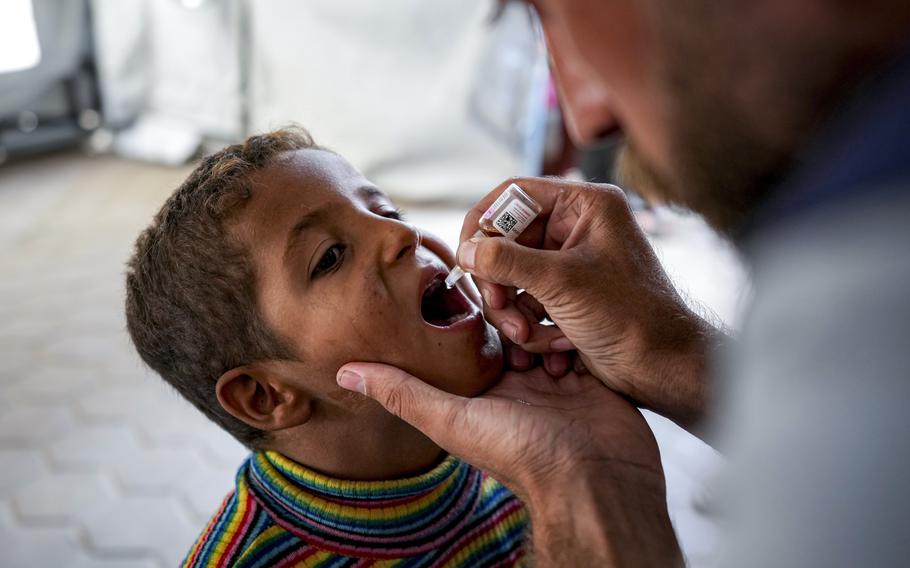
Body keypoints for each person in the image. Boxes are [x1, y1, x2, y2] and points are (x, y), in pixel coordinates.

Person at [336, 0, 910, 565]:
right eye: (329, 256)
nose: (588, 117)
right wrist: (667, 354)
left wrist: (579, 481)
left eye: (555, 13)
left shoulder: (861, 306)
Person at [124, 127, 530, 566]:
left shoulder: (527, 436)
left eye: (388, 211)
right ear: (266, 395)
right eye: (331, 256)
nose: (401, 236)